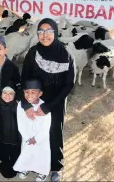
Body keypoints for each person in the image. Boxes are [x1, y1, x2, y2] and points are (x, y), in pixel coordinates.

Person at [20, 18, 75, 182]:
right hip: (36, 100)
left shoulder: (66, 55)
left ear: (55, 33)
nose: (45, 35)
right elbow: (24, 79)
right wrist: (27, 103)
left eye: (49, 31)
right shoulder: (33, 52)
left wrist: (49, 106)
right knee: (34, 131)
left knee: (54, 132)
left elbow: (68, 84)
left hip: (56, 101)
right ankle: (33, 162)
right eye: (41, 32)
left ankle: (56, 167)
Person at [13, 79, 51, 182]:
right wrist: (27, 137)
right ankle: (26, 168)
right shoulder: (21, 105)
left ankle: (42, 172)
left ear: (40, 93)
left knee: (42, 154)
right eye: (26, 91)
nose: (29, 94)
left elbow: (46, 126)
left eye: (33, 92)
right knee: (26, 152)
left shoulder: (44, 107)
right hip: (27, 136)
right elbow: (20, 122)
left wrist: (37, 138)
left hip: (41, 138)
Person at [0, 84, 21, 178]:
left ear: (15, 95)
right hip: (2, 134)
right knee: (3, 151)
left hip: (15, 135)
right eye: (5, 92)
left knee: (14, 153)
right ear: (1, 93)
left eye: (10, 93)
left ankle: (15, 166)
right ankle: (3, 164)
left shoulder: (18, 105)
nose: (7, 96)